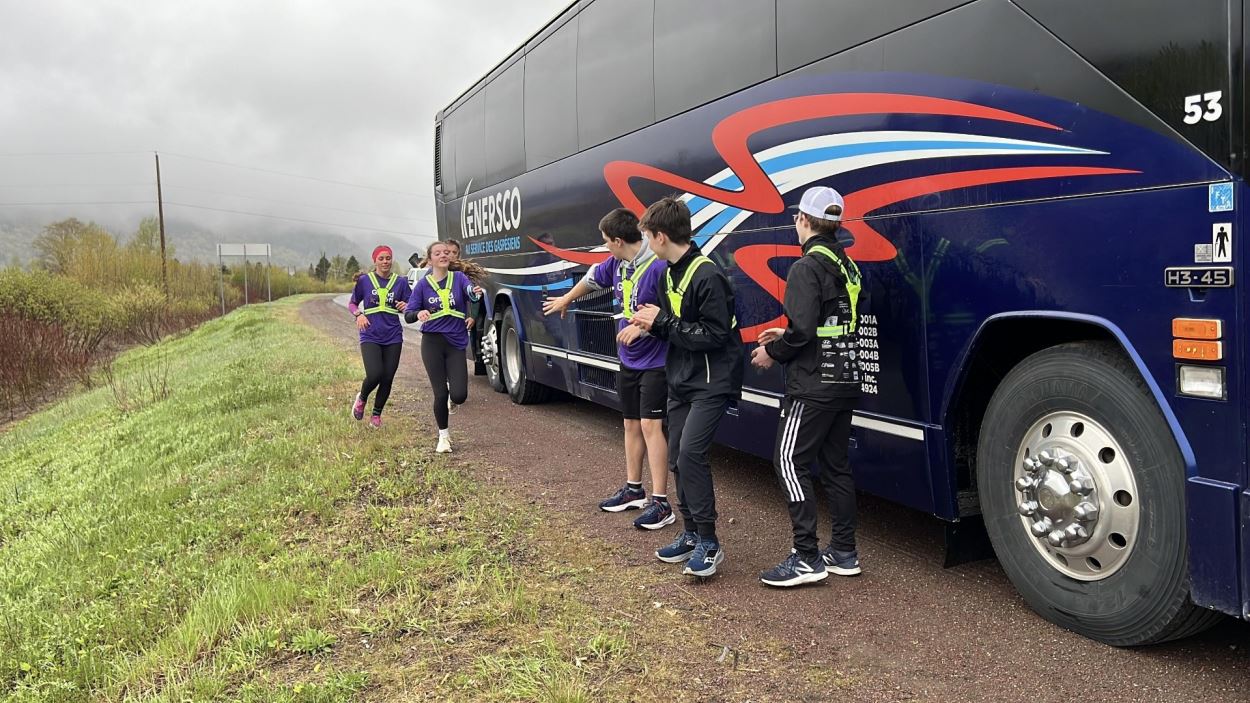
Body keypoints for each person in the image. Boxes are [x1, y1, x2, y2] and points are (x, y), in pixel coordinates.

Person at [750, 186, 864, 587]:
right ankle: (844, 552)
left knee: (788, 460)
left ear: (802, 220)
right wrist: (793, 334)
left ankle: (805, 556)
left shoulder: (805, 268)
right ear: (835, 223)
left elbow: (800, 334)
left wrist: (773, 351)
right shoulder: (847, 265)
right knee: (836, 466)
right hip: (844, 376)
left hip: (812, 383)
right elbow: (827, 324)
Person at [630, 196, 743, 578]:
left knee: (693, 455)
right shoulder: (665, 273)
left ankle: (710, 543)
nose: (646, 243)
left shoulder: (708, 274)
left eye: (647, 236)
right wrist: (645, 323)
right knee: (677, 457)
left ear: (661, 236)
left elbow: (714, 335)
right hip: (680, 379)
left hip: (711, 382)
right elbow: (670, 326)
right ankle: (691, 532)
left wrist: (660, 323)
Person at [543, 208, 674, 530]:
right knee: (630, 424)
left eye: (605, 242)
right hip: (628, 358)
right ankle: (634, 490)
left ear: (617, 241)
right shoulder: (617, 263)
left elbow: (672, 314)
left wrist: (644, 329)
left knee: (650, 426)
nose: (603, 248)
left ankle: (661, 503)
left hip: (656, 360)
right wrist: (566, 300)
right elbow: (590, 280)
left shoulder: (658, 266)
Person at [404, 240, 483, 453]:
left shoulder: (459, 278)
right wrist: (418, 313)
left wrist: (475, 294)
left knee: (459, 395)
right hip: (432, 343)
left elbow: (471, 293)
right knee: (439, 394)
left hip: (455, 342)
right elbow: (409, 314)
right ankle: (443, 437)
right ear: (430, 260)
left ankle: (452, 396)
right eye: (438, 253)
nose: (443, 255)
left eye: (446, 252)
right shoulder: (422, 285)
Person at [348, 245, 411, 429]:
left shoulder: (400, 283)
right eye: (381, 258)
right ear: (375, 261)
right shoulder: (365, 281)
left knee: (387, 377)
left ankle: (376, 415)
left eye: (388, 258)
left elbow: (412, 305)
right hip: (370, 335)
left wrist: (406, 306)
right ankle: (362, 398)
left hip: (393, 336)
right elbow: (352, 303)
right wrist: (359, 315)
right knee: (374, 374)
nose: (385, 262)